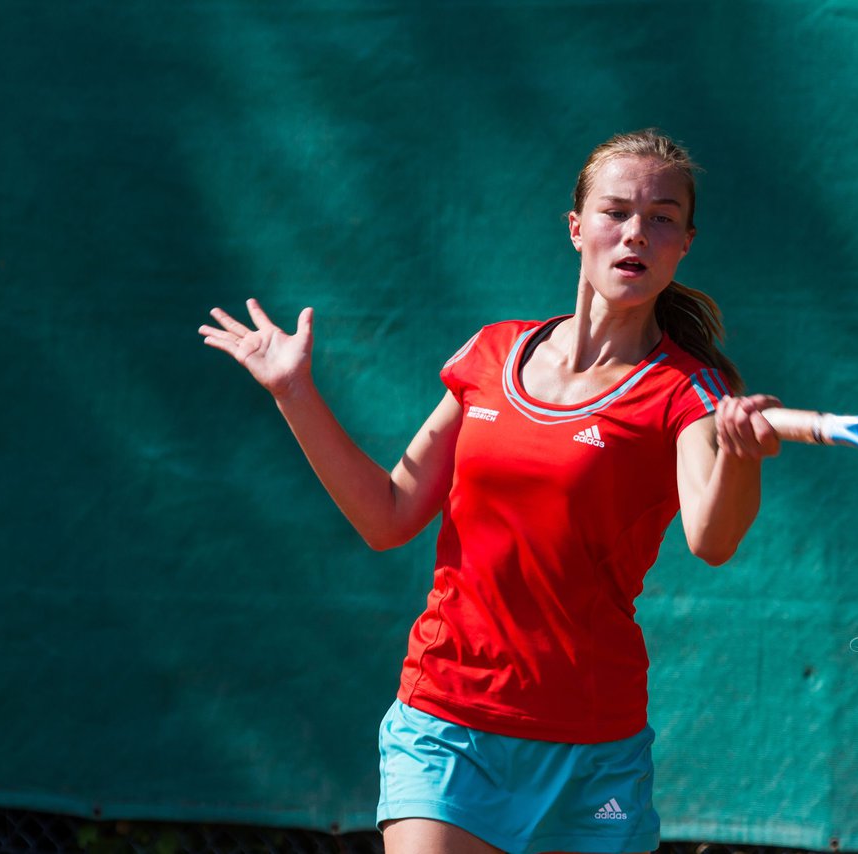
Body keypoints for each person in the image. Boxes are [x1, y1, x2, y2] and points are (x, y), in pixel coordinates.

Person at [198, 129, 782, 854]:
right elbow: (387, 516)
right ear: (576, 228)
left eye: (662, 216)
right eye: (616, 211)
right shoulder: (491, 354)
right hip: (447, 723)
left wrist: (742, 456)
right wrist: (293, 392)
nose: (637, 232)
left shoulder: (689, 392)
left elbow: (713, 540)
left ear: (685, 243)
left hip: (594, 751)